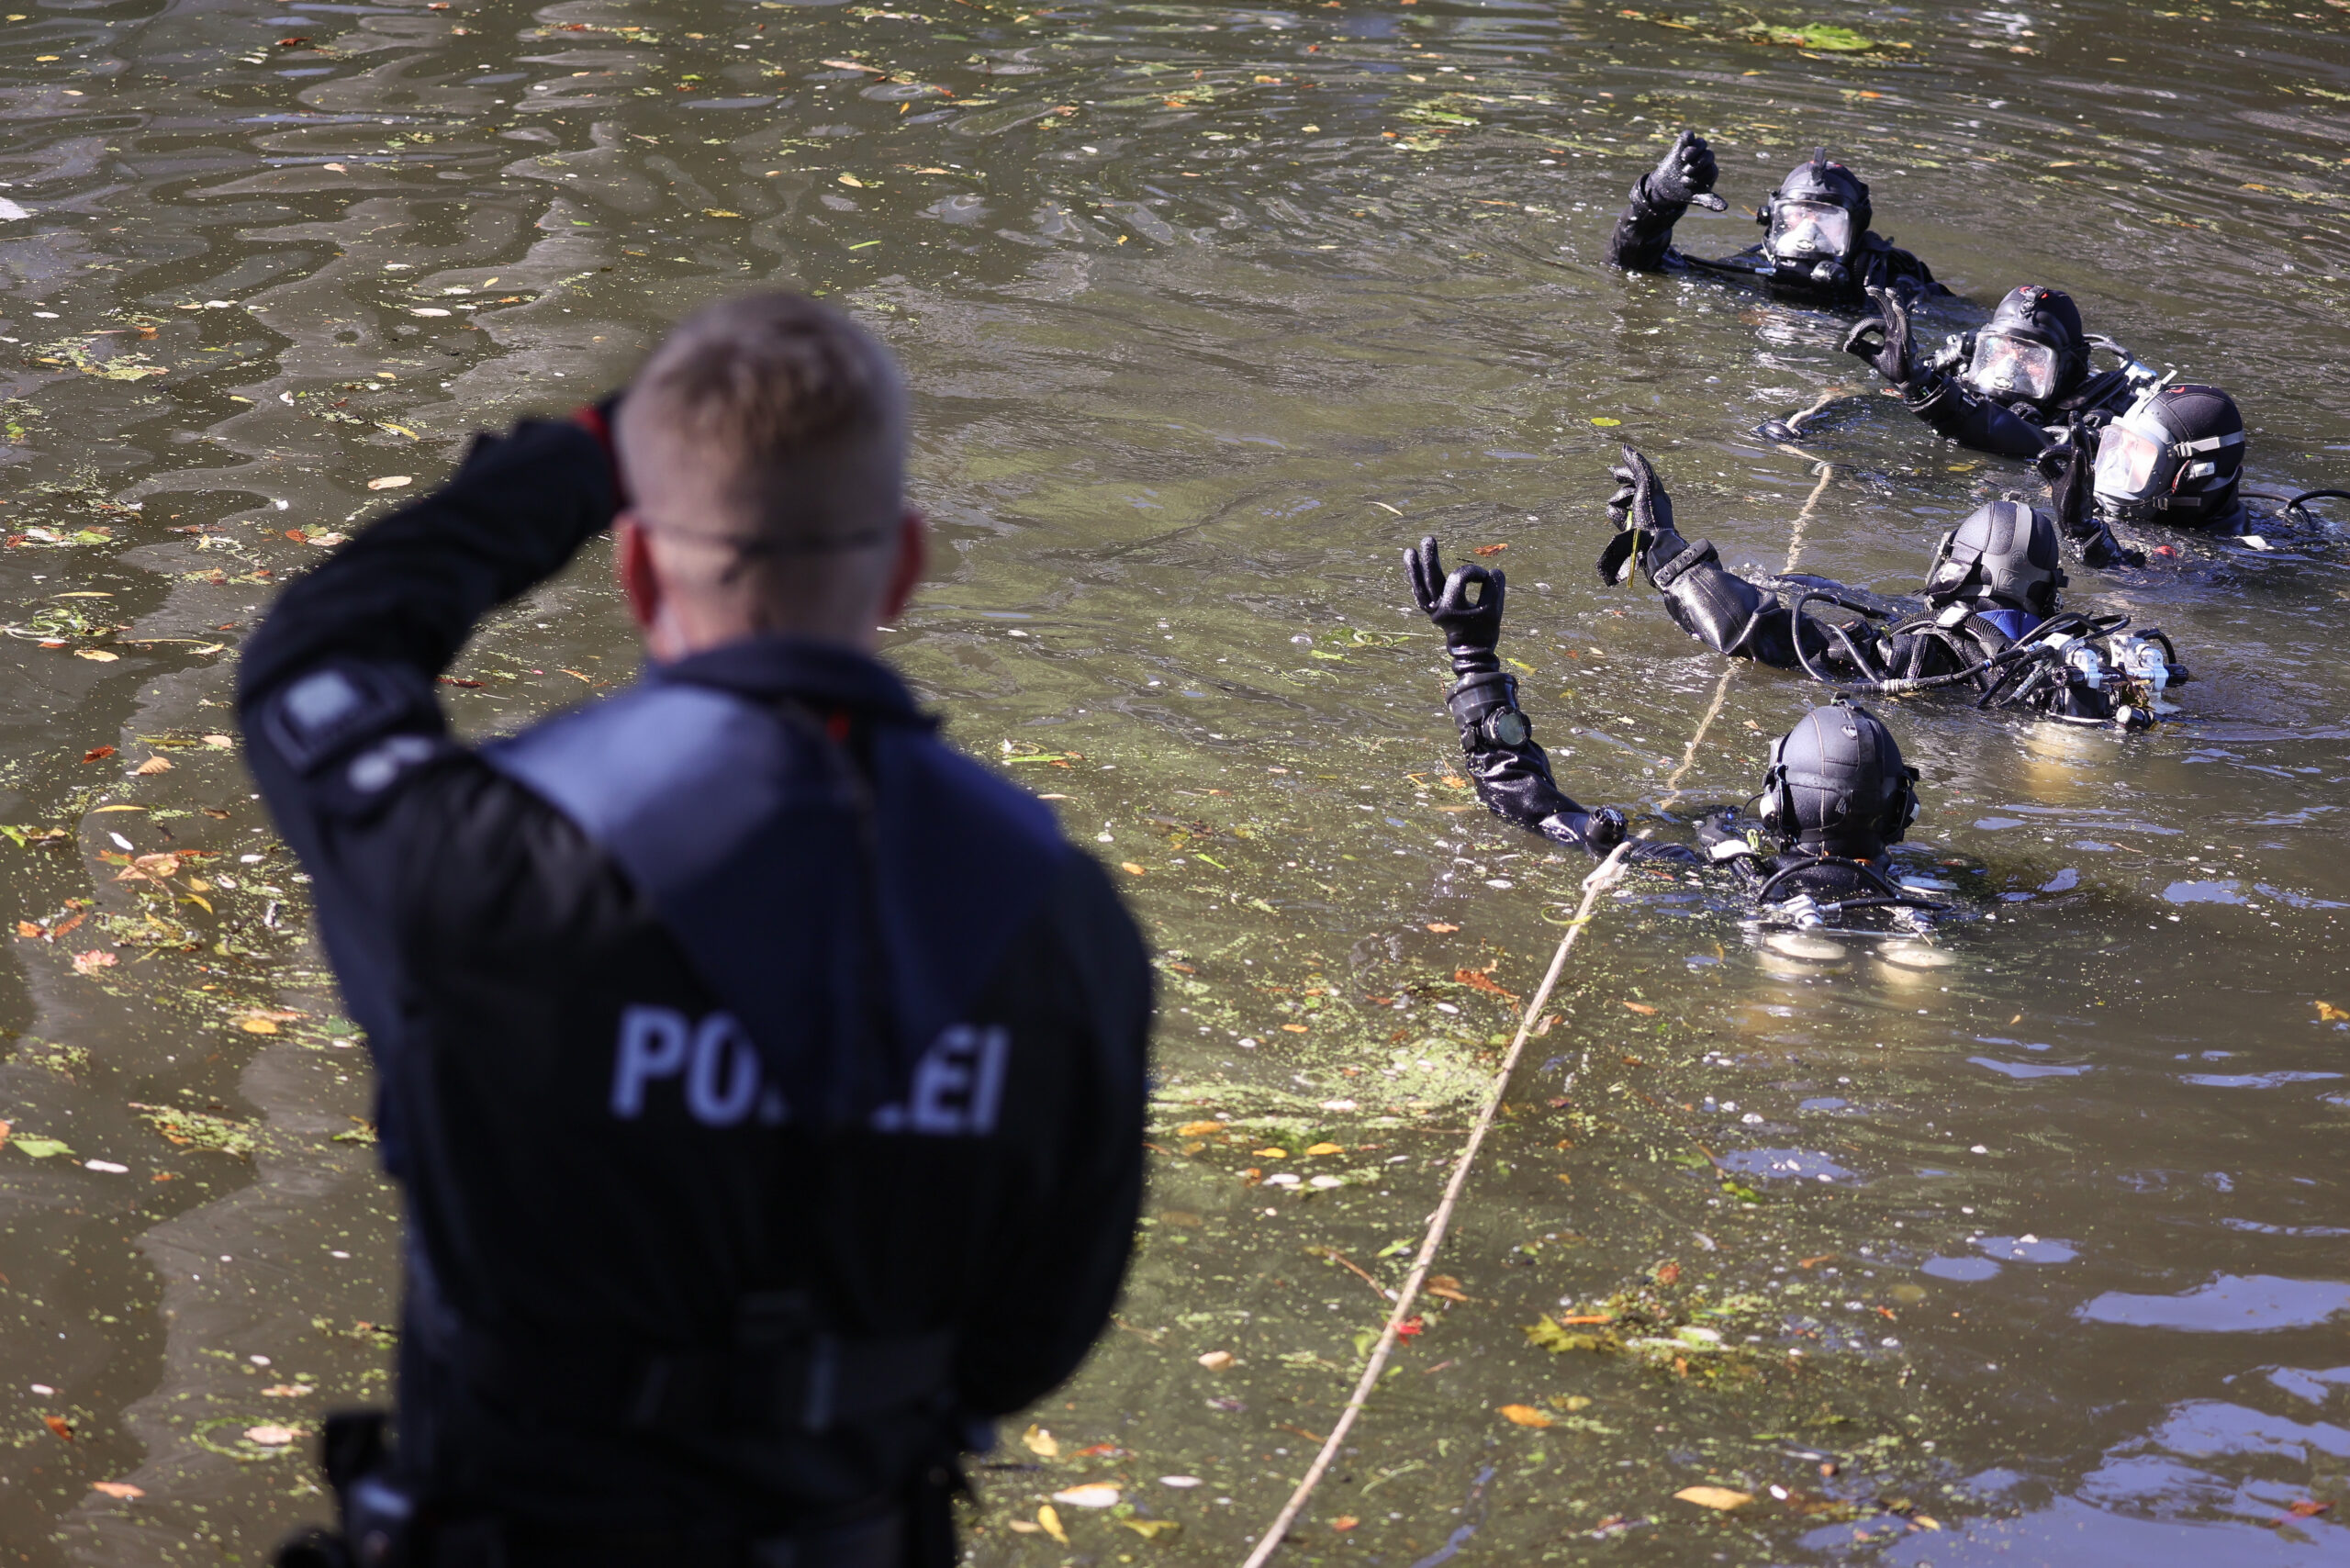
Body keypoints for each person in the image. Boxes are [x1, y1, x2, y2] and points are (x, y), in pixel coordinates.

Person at [244, 293, 1153, 1568]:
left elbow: (308, 664)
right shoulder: (1058, 920)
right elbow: (1031, 1343)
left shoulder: (476, 864)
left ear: (631, 567)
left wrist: (578, 456)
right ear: (902, 563)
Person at [1404, 532, 1935, 922]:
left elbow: (1530, 805)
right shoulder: (1936, 893)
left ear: (1778, 807)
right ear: (1900, 811)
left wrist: (1472, 659)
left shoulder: (1728, 878)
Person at [1593, 446, 2190, 730]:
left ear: (1964, 563)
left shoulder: (1935, 648)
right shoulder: (2061, 648)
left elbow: (1761, 636)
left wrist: (1661, 546)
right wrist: (2089, 533)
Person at [1606, 131, 1947, 305]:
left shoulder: (1893, 285)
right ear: (1772, 218)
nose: (1809, 231)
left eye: (1826, 218)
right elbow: (1634, 268)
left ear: (1856, 228)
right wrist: (1655, 204)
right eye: (1797, 215)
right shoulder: (1747, 271)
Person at [1842, 283, 2164, 460]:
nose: (2010, 366)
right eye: (1999, 349)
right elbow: (1869, 408)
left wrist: (1920, 385)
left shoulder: (2097, 419)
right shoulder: (1957, 377)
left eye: (2030, 356)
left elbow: (2039, 445)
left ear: (2069, 367)